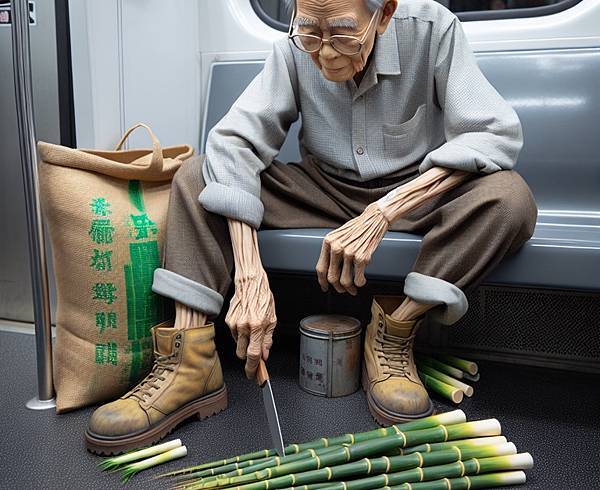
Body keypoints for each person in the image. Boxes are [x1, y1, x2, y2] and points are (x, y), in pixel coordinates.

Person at [85, 0, 538, 453]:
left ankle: (395, 336)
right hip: (320, 189)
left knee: (509, 199)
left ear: (383, 14)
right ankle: (190, 363)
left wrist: (383, 210)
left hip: (413, 194)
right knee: (196, 174)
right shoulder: (295, 46)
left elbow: (494, 134)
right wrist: (249, 274)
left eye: (342, 34)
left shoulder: (433, 28)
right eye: (310, 33)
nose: (324, 53)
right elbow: (234, 141)